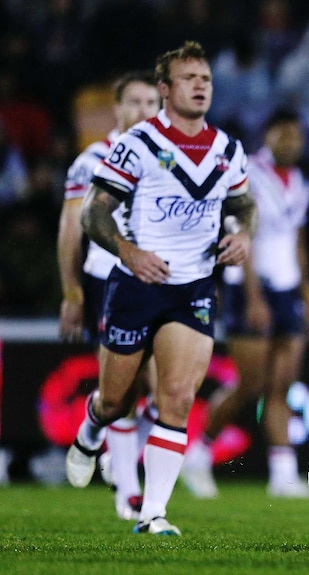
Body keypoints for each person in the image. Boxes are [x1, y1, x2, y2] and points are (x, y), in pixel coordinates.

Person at [64, 41, 257, 537]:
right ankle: (90, 431)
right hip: (135, 284)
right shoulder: (137, 145)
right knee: (115, 400)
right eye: (189, 79)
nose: (200, 86)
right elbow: (93, 212)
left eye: (206, 79)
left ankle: (153, 514)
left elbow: (244, 204)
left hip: (192, 287)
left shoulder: (227, 148)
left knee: (176, 397)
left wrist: (242, 235)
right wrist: (129, 253)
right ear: (166, 90)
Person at [181, 109, 309, 499]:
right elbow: (241, 235)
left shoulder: (301, 181)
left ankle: (283, 475)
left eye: (296, 136)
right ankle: (198, 453)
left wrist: (307, 298)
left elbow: (298, 241)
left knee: (281, 386)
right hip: (250, 287)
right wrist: (253, 295)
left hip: (288, 288)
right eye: (283, 134)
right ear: (267, 136)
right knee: (250, 384)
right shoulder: (249, 174)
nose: (291, 142)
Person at [56, 70, 161, 521]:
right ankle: (128, 491)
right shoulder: (94, 159)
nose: (143, 112)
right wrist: (72, 291)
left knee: (165, 391)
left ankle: (114, 456)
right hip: (109, 280)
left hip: (160, 279)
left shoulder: (167, 160)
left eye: (152, 104)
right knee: (122, 390)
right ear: (116, 109)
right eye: (134, 103)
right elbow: (70, 229)